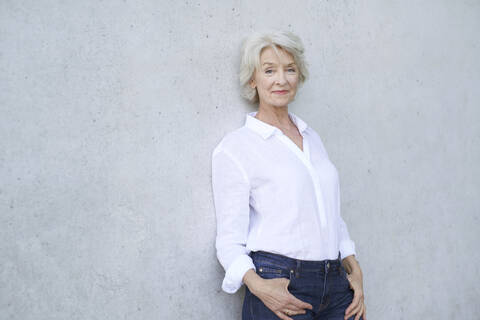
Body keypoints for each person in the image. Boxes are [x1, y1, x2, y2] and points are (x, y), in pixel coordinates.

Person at [211, 30, 366, 320]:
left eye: (290, 69)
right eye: (269, 70)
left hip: (335, 283)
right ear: (252, 80)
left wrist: (352, 266)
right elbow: (229, 241)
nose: (281, 80)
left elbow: (328, 210)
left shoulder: (312, 138)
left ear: (299, 76)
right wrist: (259, 287)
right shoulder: (236, 147)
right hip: (279, 282)